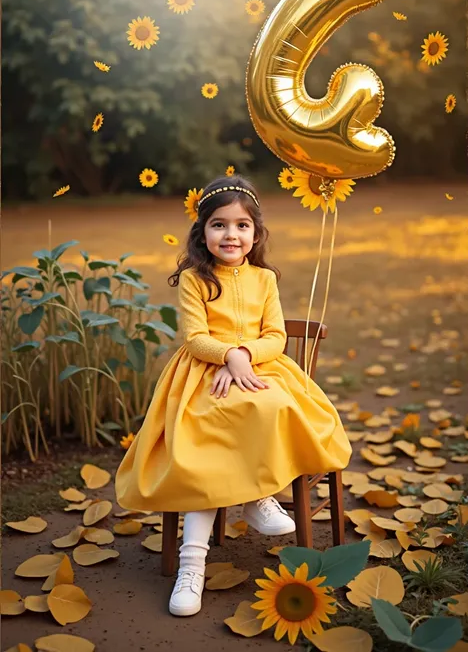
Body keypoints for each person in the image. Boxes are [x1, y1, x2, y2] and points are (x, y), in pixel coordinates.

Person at [115, 175, 352, 617]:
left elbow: (276, 336)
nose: (231, 234)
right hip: (202, 376)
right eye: (219, 225)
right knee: (211, 425)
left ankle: (256, 494)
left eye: (242, 226)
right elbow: (194, 337)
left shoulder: (264, 279)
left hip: (261, 368)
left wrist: (243, 356)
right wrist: (226, 356)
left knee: (271, 404)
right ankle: (193, 564)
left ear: (256, 233)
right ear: (202, 232)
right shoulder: (194, 280)